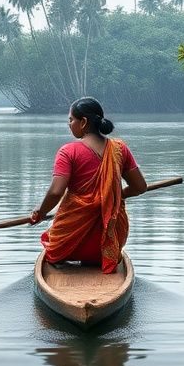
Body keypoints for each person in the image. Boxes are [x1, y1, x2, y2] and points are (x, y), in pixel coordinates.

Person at [29, 97, 147, 274]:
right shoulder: (120, 149)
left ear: (83, 122)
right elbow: (140, 187)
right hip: (107, 242)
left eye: (71, 120)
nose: (69, 124)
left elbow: (55, 192)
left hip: (69, 245)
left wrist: (41, 212)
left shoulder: (68, 152)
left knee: (50, 245)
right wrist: (113, 196)